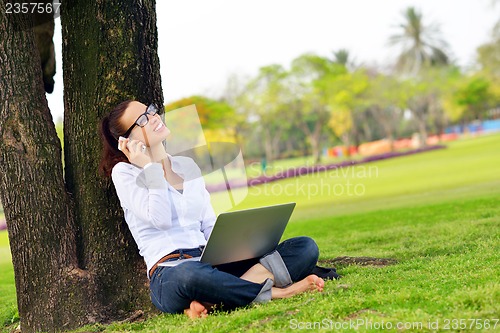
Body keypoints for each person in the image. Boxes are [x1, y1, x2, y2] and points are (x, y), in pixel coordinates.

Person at [99, 100, 324, 318]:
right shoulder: (125, 173)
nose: (154, 117)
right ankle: (278, 292)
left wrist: (238, 248)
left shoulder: (186, 166)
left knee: (304, 247)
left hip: (210, 264)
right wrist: (149, 167)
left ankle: (211, 301)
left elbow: (208, 224)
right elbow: (160, 219)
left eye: (150, 110)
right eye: (142, 119)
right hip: (170, 273)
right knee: (190, 275)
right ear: (126, 141)